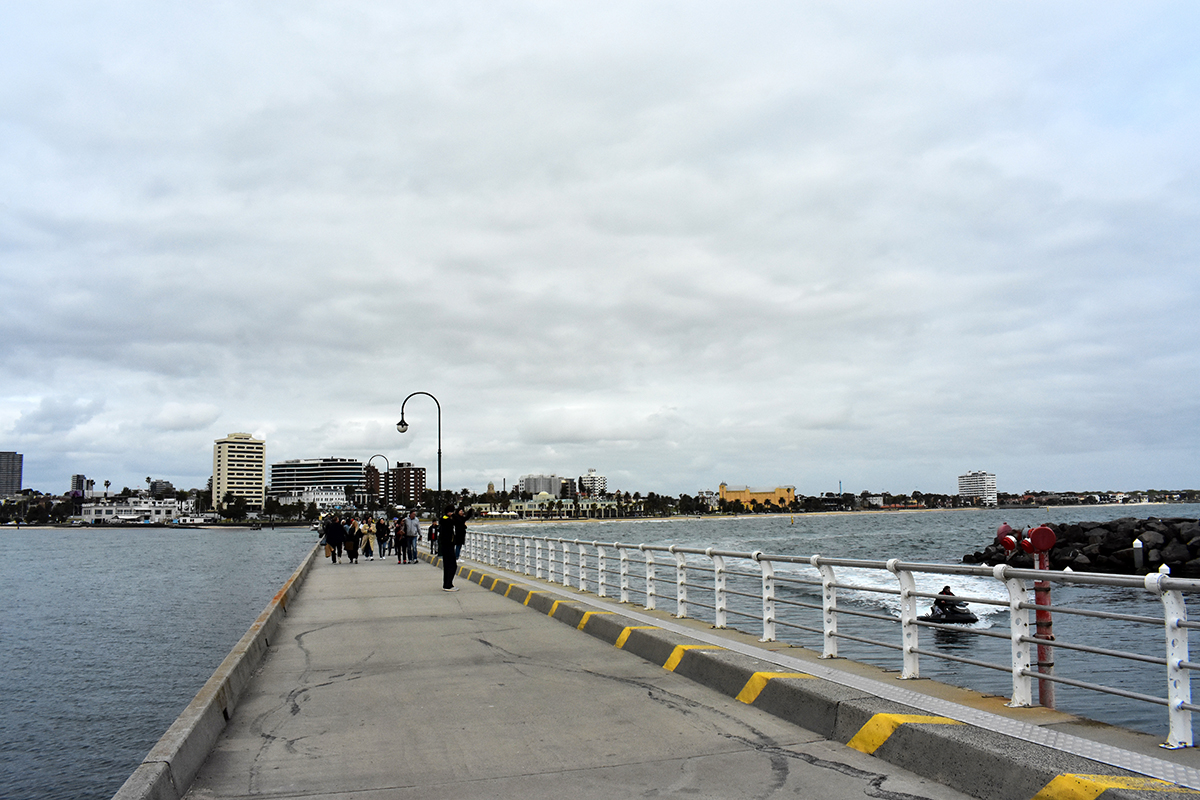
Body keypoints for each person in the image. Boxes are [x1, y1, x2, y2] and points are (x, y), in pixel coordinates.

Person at [438, 507, 457, 591]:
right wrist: (454, 515)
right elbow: (456, 522)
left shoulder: (444, 520)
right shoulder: (446, 520)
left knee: (447, 566)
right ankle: (448, 585)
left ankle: (448, 584)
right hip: (448, 545)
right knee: (452, 565)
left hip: (447, 545)